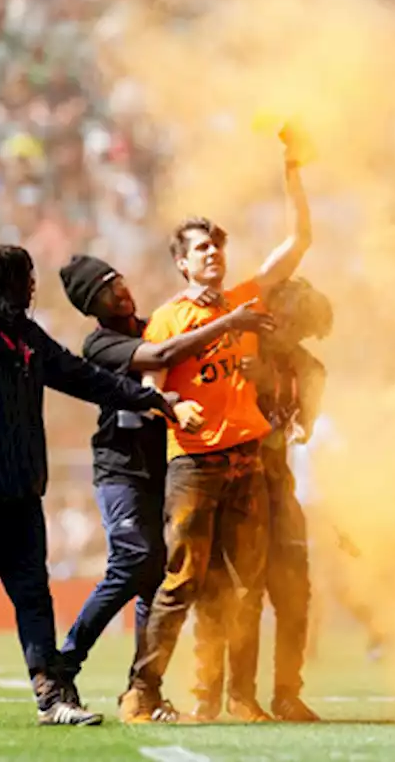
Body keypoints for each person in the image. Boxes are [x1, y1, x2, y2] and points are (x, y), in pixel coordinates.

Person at [0, 244, 180, 728]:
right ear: (8, 283)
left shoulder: (27, 338)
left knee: (35, 596)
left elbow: (86, 379)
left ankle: (52, 698)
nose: (33, 287)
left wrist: (148, 399)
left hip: (21, 494)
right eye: (26, 278)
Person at [120, 126, 314, 724]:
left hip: (246, 462)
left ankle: (241, 697)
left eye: (217, 248)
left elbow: (298, 241)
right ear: (181, 263)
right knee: (180, 583)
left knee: (247, 588)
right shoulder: (169, 319)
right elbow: (152, 385)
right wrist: (176, 407)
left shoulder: (244, 301)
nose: (213, 255)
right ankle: (142, 693)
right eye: (201, 249)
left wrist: (293, 168)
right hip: (195, 466)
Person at [56, 254, 274, 716]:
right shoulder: (101, 344)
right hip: (122, 469)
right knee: (136, 562)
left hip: (170, 465)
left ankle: (146, 692)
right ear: (90, 306)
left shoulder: (160, 320)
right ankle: (63, 666)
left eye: (117, 281)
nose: (119, 292)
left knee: (160, 578)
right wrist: (225, 323)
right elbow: (161, 357)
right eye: (104, 291)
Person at [191, 278, 333, 723]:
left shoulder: (309, 370)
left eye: (301, 326)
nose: (290, 331)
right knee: (226, 593)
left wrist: (276, 393)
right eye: (287, 319)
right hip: (227, 485)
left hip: (275, 486)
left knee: (295, 594)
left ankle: (287, 693)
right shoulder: (235, 350)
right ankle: (211, 693)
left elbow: (297, 431)